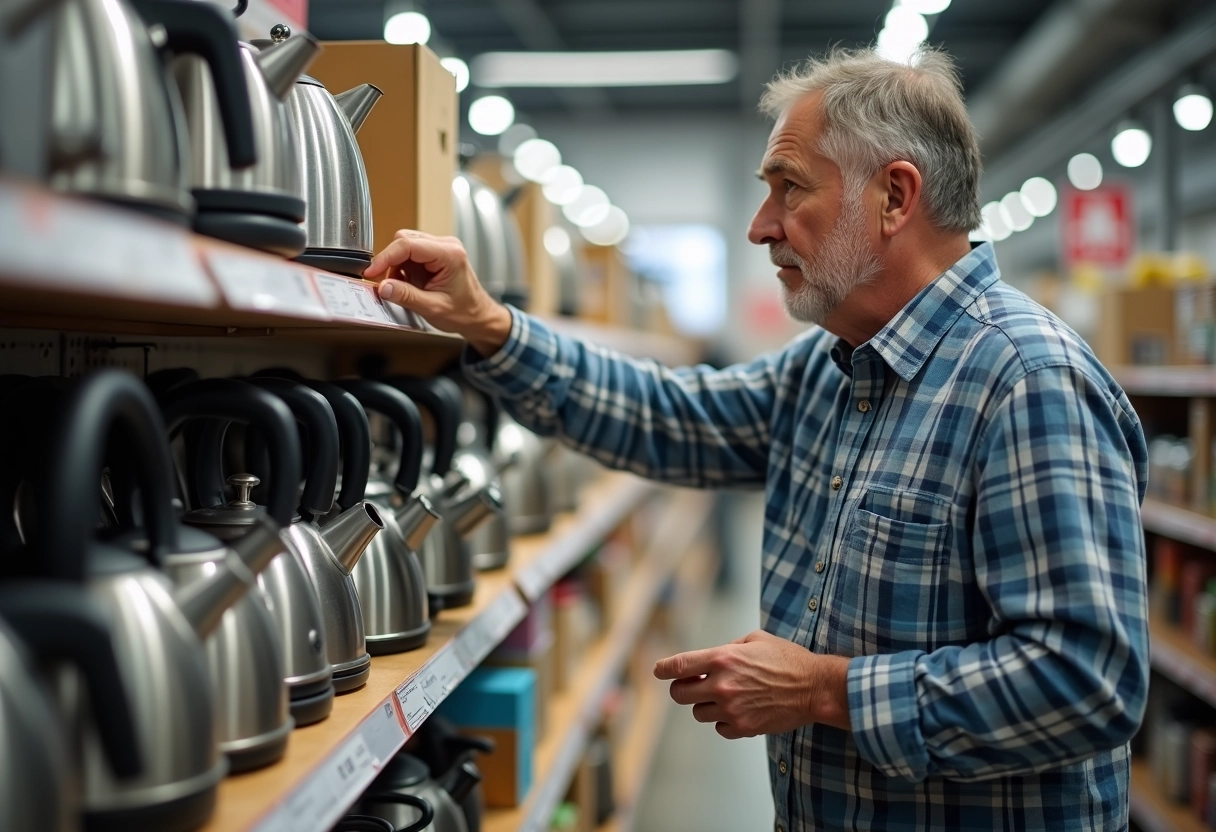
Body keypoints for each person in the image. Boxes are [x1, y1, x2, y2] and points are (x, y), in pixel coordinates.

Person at [364, 47, 1149, 832]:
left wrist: (824, 690)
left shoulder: (1027, 381)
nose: (759, 226)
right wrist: (490, 326)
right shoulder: (829, 368)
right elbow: (666, 414)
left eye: (790, 188)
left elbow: (1089, 681)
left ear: (894, 196)